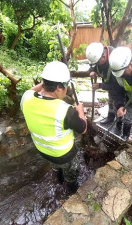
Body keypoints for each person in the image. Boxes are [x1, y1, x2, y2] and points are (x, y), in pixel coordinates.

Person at [20, 61, 87, 193]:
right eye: (66, 86)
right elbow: (83, 129)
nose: (66, 89)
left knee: (56, 167)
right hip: (65, 155)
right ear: (58, 88)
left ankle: (59, 179)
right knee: (71, 173)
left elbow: (30, 91)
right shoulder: (65, 110)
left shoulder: (26, 99)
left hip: (44, 151)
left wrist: (46, 82)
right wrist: (81, 111)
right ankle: (71, 190)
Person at [86, 42, 118, 126]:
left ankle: (120, 124)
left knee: (118, 105)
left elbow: (115, 85)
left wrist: (100, 85)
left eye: (97, 63)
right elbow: (92, 65)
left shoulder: (115, 62)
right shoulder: (99, 55)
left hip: (120, 88)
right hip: (110, 85)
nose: (96, 65)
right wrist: (92, 70)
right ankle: (110, 117)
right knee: (110, 101)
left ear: (103, 58)